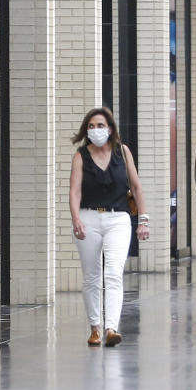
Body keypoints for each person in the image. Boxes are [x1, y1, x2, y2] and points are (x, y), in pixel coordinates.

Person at [69, 107, 150, 347]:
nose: (96, 130)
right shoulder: (81, 155)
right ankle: (94, 327)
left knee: (113, 273)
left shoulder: (122, 153)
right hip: (89, 217)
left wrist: (143, 220)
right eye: (91, 127)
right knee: (92, 277)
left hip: (118, 218)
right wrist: (76, 219)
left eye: (100, 125)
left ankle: (110, 328)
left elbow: (136, 187)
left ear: (111, 129)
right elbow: (74, 191)